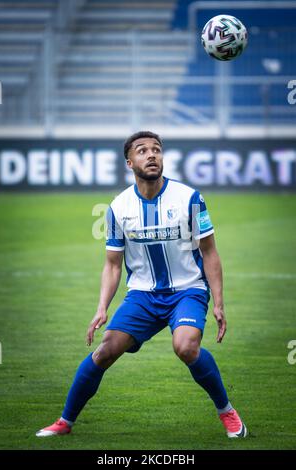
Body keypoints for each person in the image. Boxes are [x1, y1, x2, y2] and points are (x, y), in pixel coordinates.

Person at [36, 131, 247, 439]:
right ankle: (65, 422)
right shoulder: (118, 207)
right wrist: (101, 309)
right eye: (143, 150)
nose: (152, 155)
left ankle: (227, 411)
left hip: (187, 291)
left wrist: (218, 302)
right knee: (105, 351)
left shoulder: (190, 198)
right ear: (129, 162)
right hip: (143, 296)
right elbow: (112, 264)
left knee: (186, 347)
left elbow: (209, 251)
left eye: (157, 150)